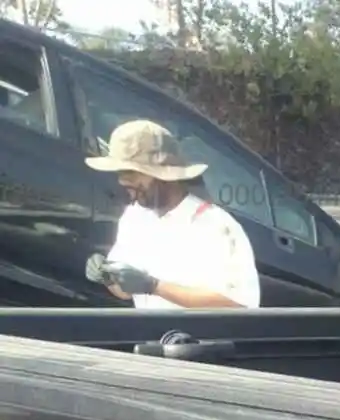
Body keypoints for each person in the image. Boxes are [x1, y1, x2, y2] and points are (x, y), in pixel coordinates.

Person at [83, 120, 260, 309]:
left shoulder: (215, 225)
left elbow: (238, 305)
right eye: (119, 172)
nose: (123, 181)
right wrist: (107, 277)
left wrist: (154, 286)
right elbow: (126, 292)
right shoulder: (134, 217)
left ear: (164, 175)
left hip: (202, 338)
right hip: (149, 336)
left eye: (131, 172)